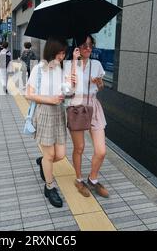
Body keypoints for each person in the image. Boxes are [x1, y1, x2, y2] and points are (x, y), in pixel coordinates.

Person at [26, 38, 71, 208]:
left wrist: (70, 86)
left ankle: (43, 161)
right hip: (44, 113)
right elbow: (28, 94)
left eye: (64, 53)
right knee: (50, 155)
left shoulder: (62, 69)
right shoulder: (38, 69)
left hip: (59, 114)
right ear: (51, 51)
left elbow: (67, 91)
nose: (62, 56)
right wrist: (49, 99)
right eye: (60, 53)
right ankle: (49, 187)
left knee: (60, 155)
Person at [63, 35, 109, 199]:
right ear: (77, 47)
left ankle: (93, 179)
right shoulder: (68, 64)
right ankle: (79, 179)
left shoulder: (96, 64)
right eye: (84, 45)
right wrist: (74, 63)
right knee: (80, 148)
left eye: (90, 45)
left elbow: (100, 87)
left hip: (94, 107)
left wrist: (99, 83)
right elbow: (67, 91)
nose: (88, 48)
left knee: (101, 151)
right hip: (76, 107)